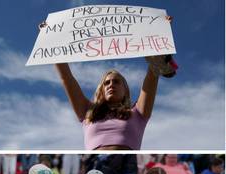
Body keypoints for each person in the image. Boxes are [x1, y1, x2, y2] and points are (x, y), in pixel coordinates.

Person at [52, 17, 177, 150]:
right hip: (96, 167)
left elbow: (152, 75)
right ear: (101, 90)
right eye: (107, 83)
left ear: (125, 90)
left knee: (155, 65)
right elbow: (66, 77)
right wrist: (51, 35)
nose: (111, 85)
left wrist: (161, 29)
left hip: (124, 165)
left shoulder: (138, 112)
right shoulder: (86, 111)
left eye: (116, 82)